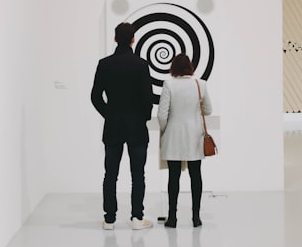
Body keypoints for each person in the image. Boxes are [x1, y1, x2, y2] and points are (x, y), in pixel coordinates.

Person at [91, 22, 155, 230]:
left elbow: (95, 97)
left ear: (115, 39)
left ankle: (109, 219)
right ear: (133, 39)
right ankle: (137, 218)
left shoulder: (104, 64)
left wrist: (109, 114)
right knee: (138, 174)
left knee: (110, 174)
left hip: (113, 126)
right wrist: (143, 117)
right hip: (136, 126)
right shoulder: (141, 65)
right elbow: (148, 98)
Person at [157, 54, 213, 228]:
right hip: (194, 136)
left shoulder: (169, 84)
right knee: (196, 176)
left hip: (173, 136)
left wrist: (165, 128)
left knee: (173, 177)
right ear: (190, 67)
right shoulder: (200, 84)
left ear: (173, 67)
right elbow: (209, 110)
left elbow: (161, 114)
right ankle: (196, 217)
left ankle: (172, 218)